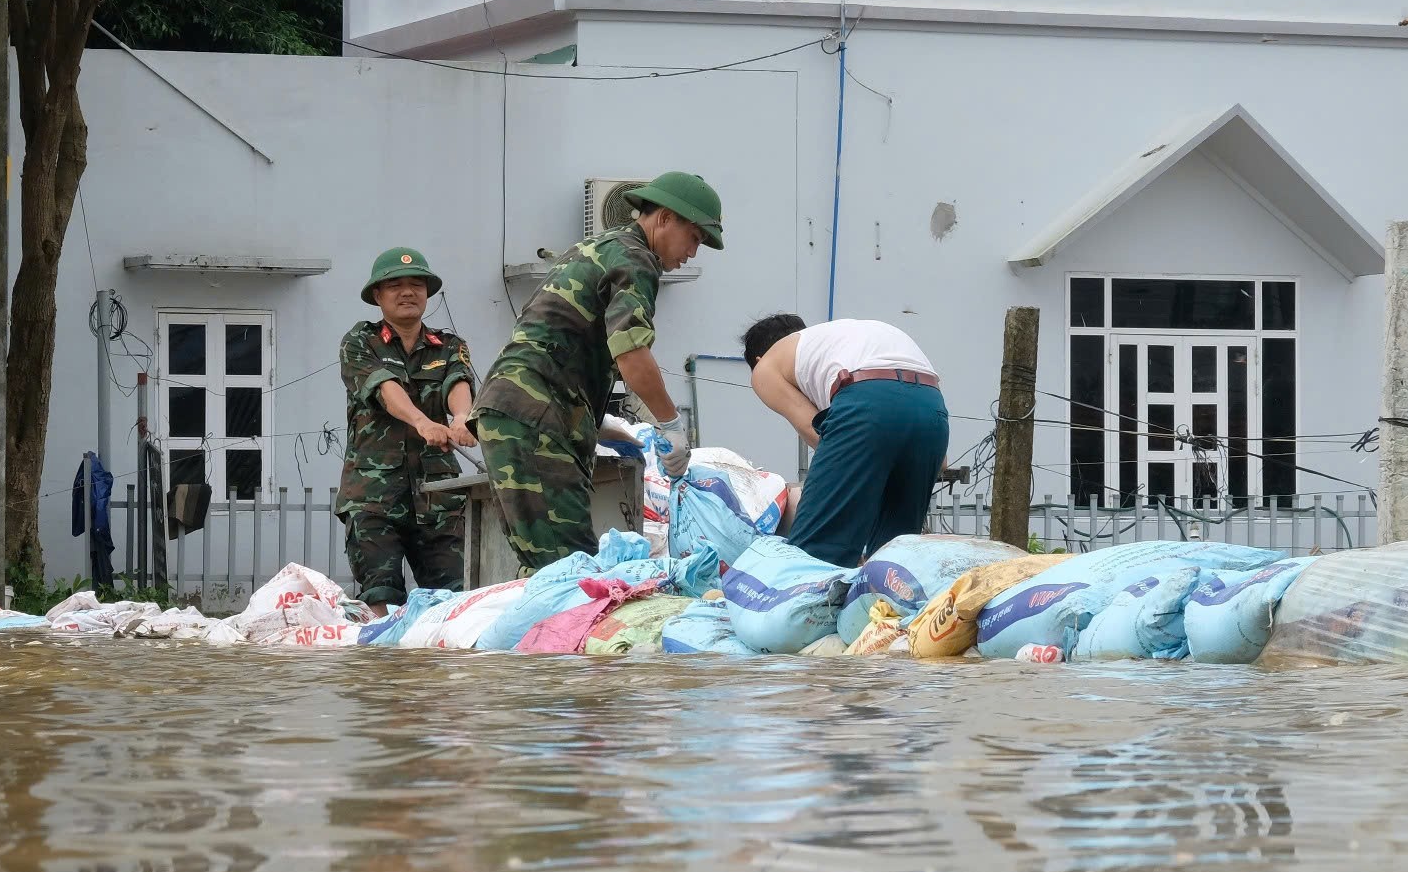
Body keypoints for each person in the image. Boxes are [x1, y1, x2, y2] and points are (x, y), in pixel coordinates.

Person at [473, 171, 722, 574]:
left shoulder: (596, 247)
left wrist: (595, 420)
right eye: (694, 237)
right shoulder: (635, 258)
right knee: (571, 569)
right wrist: (671, 424)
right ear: (664, 218)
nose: (693, 252)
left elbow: (557, 336)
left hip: (523, 408)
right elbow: (632, 351)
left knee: (548, 563)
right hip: (538, 414)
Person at [742, 313, 949, 568]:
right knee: (894, 559)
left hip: (867, 401)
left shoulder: (766, 367)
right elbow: (941, 463)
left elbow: (819, 434)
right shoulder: (839, 339)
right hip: (930, 406)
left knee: (815, 555)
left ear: (757, 359)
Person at [337, 248, 477, 613]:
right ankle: (385, 651)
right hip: (374, 493)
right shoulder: (361, 342)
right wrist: (422, 421)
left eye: (417, 284)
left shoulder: (449, 346)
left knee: (454, 596)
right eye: (395, 285)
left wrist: (461, 417)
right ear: (378, 295)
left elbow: (458, 381)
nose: (407, 292)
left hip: (438, 492)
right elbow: (383, 387)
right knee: (380, 592)